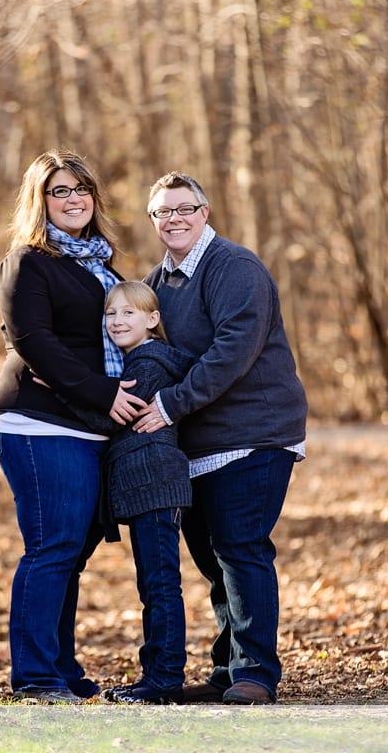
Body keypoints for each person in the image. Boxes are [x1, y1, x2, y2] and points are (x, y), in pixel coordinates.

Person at [135, 171, 308, 705]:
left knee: (240, 548)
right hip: (198, 444)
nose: (175, 219)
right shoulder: (158, 283)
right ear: (153, 220)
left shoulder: (233, 267)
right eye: (164, 212)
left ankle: (256, 672)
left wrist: (169, 404)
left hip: (253, 433)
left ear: (204, 213)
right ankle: (227, 671)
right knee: (212, 559)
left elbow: (232, 350)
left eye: (185, 208)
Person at [0, 149, 146, 704]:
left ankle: (61, 667)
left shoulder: (101, 266)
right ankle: (35, 677)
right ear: (41, 200)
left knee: (71, 553)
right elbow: (35, 344)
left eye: (82, 189)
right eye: (60, 190)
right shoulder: (27, 262)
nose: (74, 198)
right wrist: (107, 395)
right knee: (51, 547)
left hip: (91, 425)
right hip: (41, 422)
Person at [67, 282, 194, 705]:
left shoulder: (149, 361)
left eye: (128, 314)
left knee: (160, 586)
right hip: (147, 487)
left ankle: (164, 681)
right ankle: (155, 675)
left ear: (152, 320)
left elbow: (110, 418)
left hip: (156, 484)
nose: (117, 321)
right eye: (110, 314)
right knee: (153, 585)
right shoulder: (136, 360)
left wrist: (56, 390)